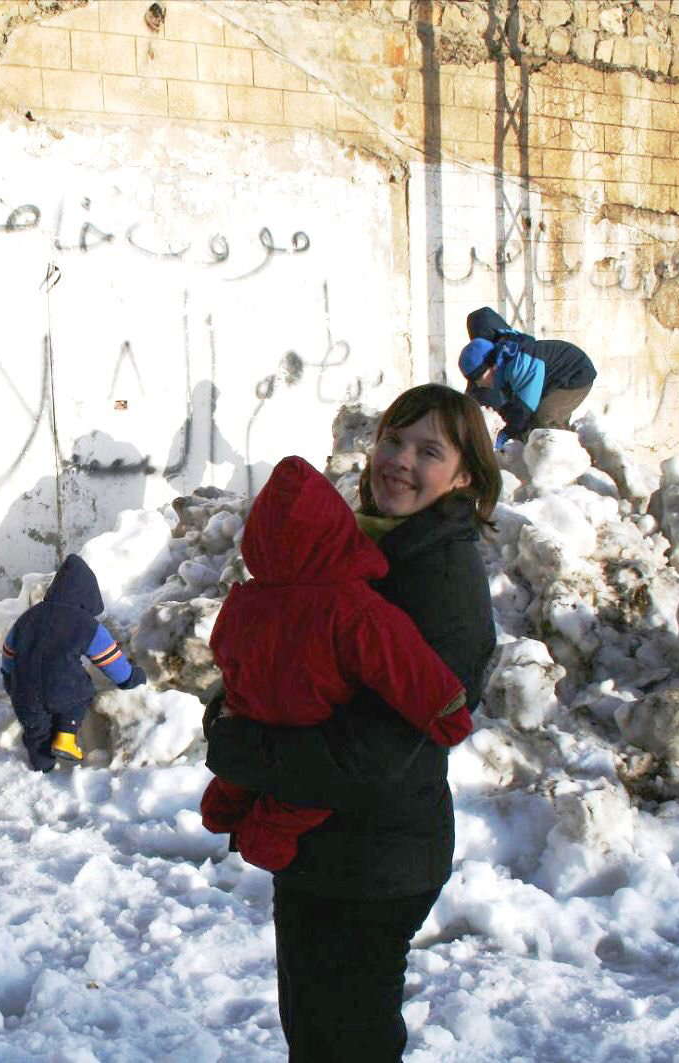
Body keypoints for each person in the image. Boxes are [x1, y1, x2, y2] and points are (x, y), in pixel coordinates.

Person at [204, 383, 501, 1063]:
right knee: (316, 1033)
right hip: (327, 852)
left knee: (345, 1045)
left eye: (428, 450)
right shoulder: (354, 553)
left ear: (464, 476)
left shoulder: (440, 581)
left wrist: (236, 744)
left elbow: (374, 753)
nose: (398, 460)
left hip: (373, 859)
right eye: (393, 440)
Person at [200, 454, 471, 873]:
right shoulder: (353, 607)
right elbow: (404, 664)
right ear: (336, 533)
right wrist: (447, 709)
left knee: (242, 774)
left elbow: (223, 649)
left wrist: (234, 702)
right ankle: (265, 836)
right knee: (297, 800)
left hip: (250, 717)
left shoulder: (248, 599)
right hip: (310, 726)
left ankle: (226, 800)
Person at [1, 553, 146, 772]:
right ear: (88, 595)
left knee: (36, 732)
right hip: (63, 689)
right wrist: (130, 678)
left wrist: (9, 680)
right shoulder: (85, 624)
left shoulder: (28, 617)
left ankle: (42, 768)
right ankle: (66, 737)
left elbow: (9, 652)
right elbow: (109, 659)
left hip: (24, 692)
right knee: (82, 693)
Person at [459, 305, 596, 448]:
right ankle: (572, 453)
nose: (480, 385)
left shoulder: (518, 364)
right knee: (541, 424)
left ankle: (564, 460)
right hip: (555, 380)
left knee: (543, 419)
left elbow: (525, 406)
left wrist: (507, 434)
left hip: (575, 375)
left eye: (479, 380)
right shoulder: (504, 364)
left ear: (489, 368)